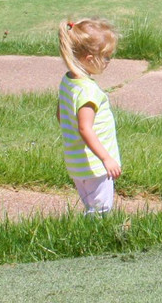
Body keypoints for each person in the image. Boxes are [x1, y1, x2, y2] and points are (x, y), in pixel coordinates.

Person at [57, 18, 122, 214]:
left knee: (92, 206)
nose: (109, 62)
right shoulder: (88, 91)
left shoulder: (68, 81)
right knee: (101, 210)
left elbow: (61, 114)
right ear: (88, 58)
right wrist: (106, 158)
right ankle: (96, 241)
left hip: (77, 162)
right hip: (94, 166)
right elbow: (85, 128)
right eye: (106, 57)